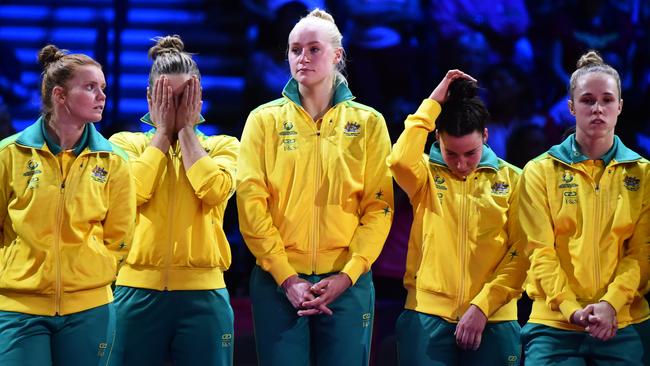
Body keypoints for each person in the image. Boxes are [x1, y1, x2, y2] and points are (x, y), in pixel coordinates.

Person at [236, 8, 394, 365]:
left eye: (313, 49)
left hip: (347, 284)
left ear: (337, 55)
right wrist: (286, 276)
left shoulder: (369, 123)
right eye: (295, 50)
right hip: (278, 282)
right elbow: (250, 204)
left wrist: (348, 274)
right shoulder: (263, 120)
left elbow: (379, 208)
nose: (302, 58)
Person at [108, 35, 239, 366]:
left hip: (204, 295)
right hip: (133, 292)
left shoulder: (224, 146)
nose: (177, 108)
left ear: (199, 100)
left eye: (185, 98)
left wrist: (186, 133)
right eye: (168, 98)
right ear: (150, 97)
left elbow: (214, 191)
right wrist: (163, 135)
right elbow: (130, 194)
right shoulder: (124, 143)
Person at [0, 45, 135, 365]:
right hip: (20, 308)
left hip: (89, 309)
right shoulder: (9, 154)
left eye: (102, 88)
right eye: (90, 87)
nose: (102, 96)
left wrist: (91, 270)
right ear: (59, 95)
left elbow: (120, 236)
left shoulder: (115, 160)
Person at [387, 70, 528, 365]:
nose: (461, 164)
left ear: (486, 136)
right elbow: (398, 160)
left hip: (495, 319)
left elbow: (521, 253)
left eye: (471, 153)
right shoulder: (423, 174)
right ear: (437, 138)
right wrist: (433, 102)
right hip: (426, 314)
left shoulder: (515, 180)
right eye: (451, 154)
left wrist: (482, 306)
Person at [519, 50, 650, 365]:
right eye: (588, 100)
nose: (598, 108)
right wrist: (570, 309)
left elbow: (641, 253)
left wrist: (610, 305)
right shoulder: (539, 171)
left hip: (625, 323)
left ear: (619, 106)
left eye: (606, 100)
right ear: (571, 107)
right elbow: (539, 252)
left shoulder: (643, 173)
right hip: (553, 324)